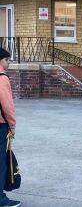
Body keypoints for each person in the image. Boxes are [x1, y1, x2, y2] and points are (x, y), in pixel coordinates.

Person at [0, 48, 21, 207]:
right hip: (0, 124)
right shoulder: (2, 78)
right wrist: (12, 125)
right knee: (1, 162)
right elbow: (7, 105)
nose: (8, 63)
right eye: (7, 60)